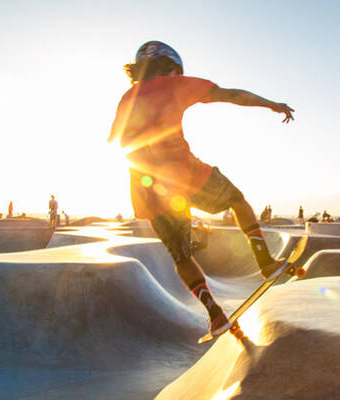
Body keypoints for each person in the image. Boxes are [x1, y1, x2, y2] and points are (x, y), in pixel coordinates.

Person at [109, 41, 295, 337]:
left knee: (181, 257)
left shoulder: (126, 98)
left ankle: (215, 315)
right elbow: (231, 95)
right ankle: (265, 262)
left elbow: (116, 142)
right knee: (236, 199)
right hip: (184, 174)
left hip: (147, 190)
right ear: (171, 67)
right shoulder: (174, 83)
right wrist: (272, 104)